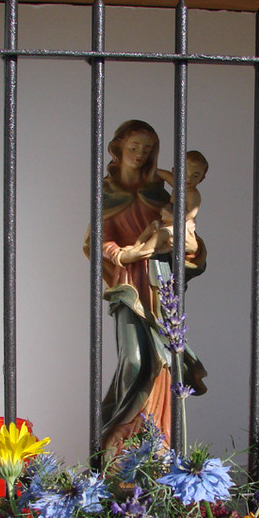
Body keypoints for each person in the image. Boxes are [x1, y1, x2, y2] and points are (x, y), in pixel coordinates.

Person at [83, 121, 207, 460]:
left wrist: (191, 247)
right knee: (135, 362)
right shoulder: (107, 193)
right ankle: (118, 444)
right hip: (128, 285)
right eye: (134, 147)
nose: (141, 154)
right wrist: (122, 255)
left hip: (161, 282)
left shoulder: (160, 191)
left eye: (148, 149)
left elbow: (182, 235)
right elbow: (96, 241)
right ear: (118, 148)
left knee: (165, 362)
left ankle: (158, 446)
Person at [138, 150, 208, 256]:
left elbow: (190, 215)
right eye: (184, 172)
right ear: (175, 172)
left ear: (201, 179)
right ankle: (136, 247)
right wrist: (151, 170)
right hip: (169, 219)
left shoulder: (193, 195)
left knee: (160, 235)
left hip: (182, 224)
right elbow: (165, 175)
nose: (188, 178)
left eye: (195, 176)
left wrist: (173, 217)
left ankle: (143, 253)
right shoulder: (178, 184)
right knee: (151, 228)